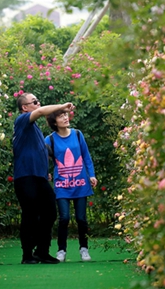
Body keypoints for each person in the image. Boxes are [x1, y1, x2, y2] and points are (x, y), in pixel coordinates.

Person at [12, 92, 73, 264]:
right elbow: (41, 112)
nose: (38, 104)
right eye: (35, 102)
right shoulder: (22, 120)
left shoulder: (34, 129)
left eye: (39, 101)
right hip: (25, 177)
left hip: (39, 177)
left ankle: (42, 251)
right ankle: (27, 255)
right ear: (25, 107)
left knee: (50, 213)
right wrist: (62, 107)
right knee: (30, 215)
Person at [45, 108, 97, 262]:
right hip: (62, 184)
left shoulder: (78, 134)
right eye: (61, 116)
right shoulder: (50, 139)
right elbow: (43, 159)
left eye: (66, 115)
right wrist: (45, 172)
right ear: (54, 122)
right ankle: (61, 250)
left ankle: (84, 249)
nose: (65, 118)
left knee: (81, 218)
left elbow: (86, 157)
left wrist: (92, 175)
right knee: (64, 218)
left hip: (81, 183)